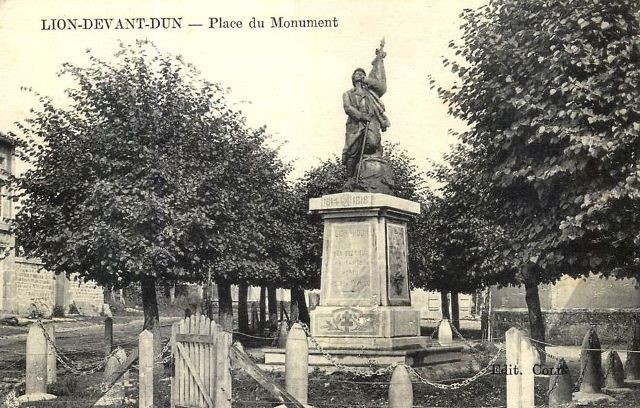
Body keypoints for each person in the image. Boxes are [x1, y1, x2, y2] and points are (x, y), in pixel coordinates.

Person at [341, 41, 390, 181]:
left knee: (373, 143)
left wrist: (378, 61)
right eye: (357, 73)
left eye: (362, 73)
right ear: (353, 77)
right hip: (355, 125)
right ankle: (350, 179)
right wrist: (362, 116)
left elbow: (382, 86)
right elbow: (348, 108)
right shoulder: (347, 93)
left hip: (371, 122)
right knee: (352, 151)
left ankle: (366, 173)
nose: (359, 74)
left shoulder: (370, 92)